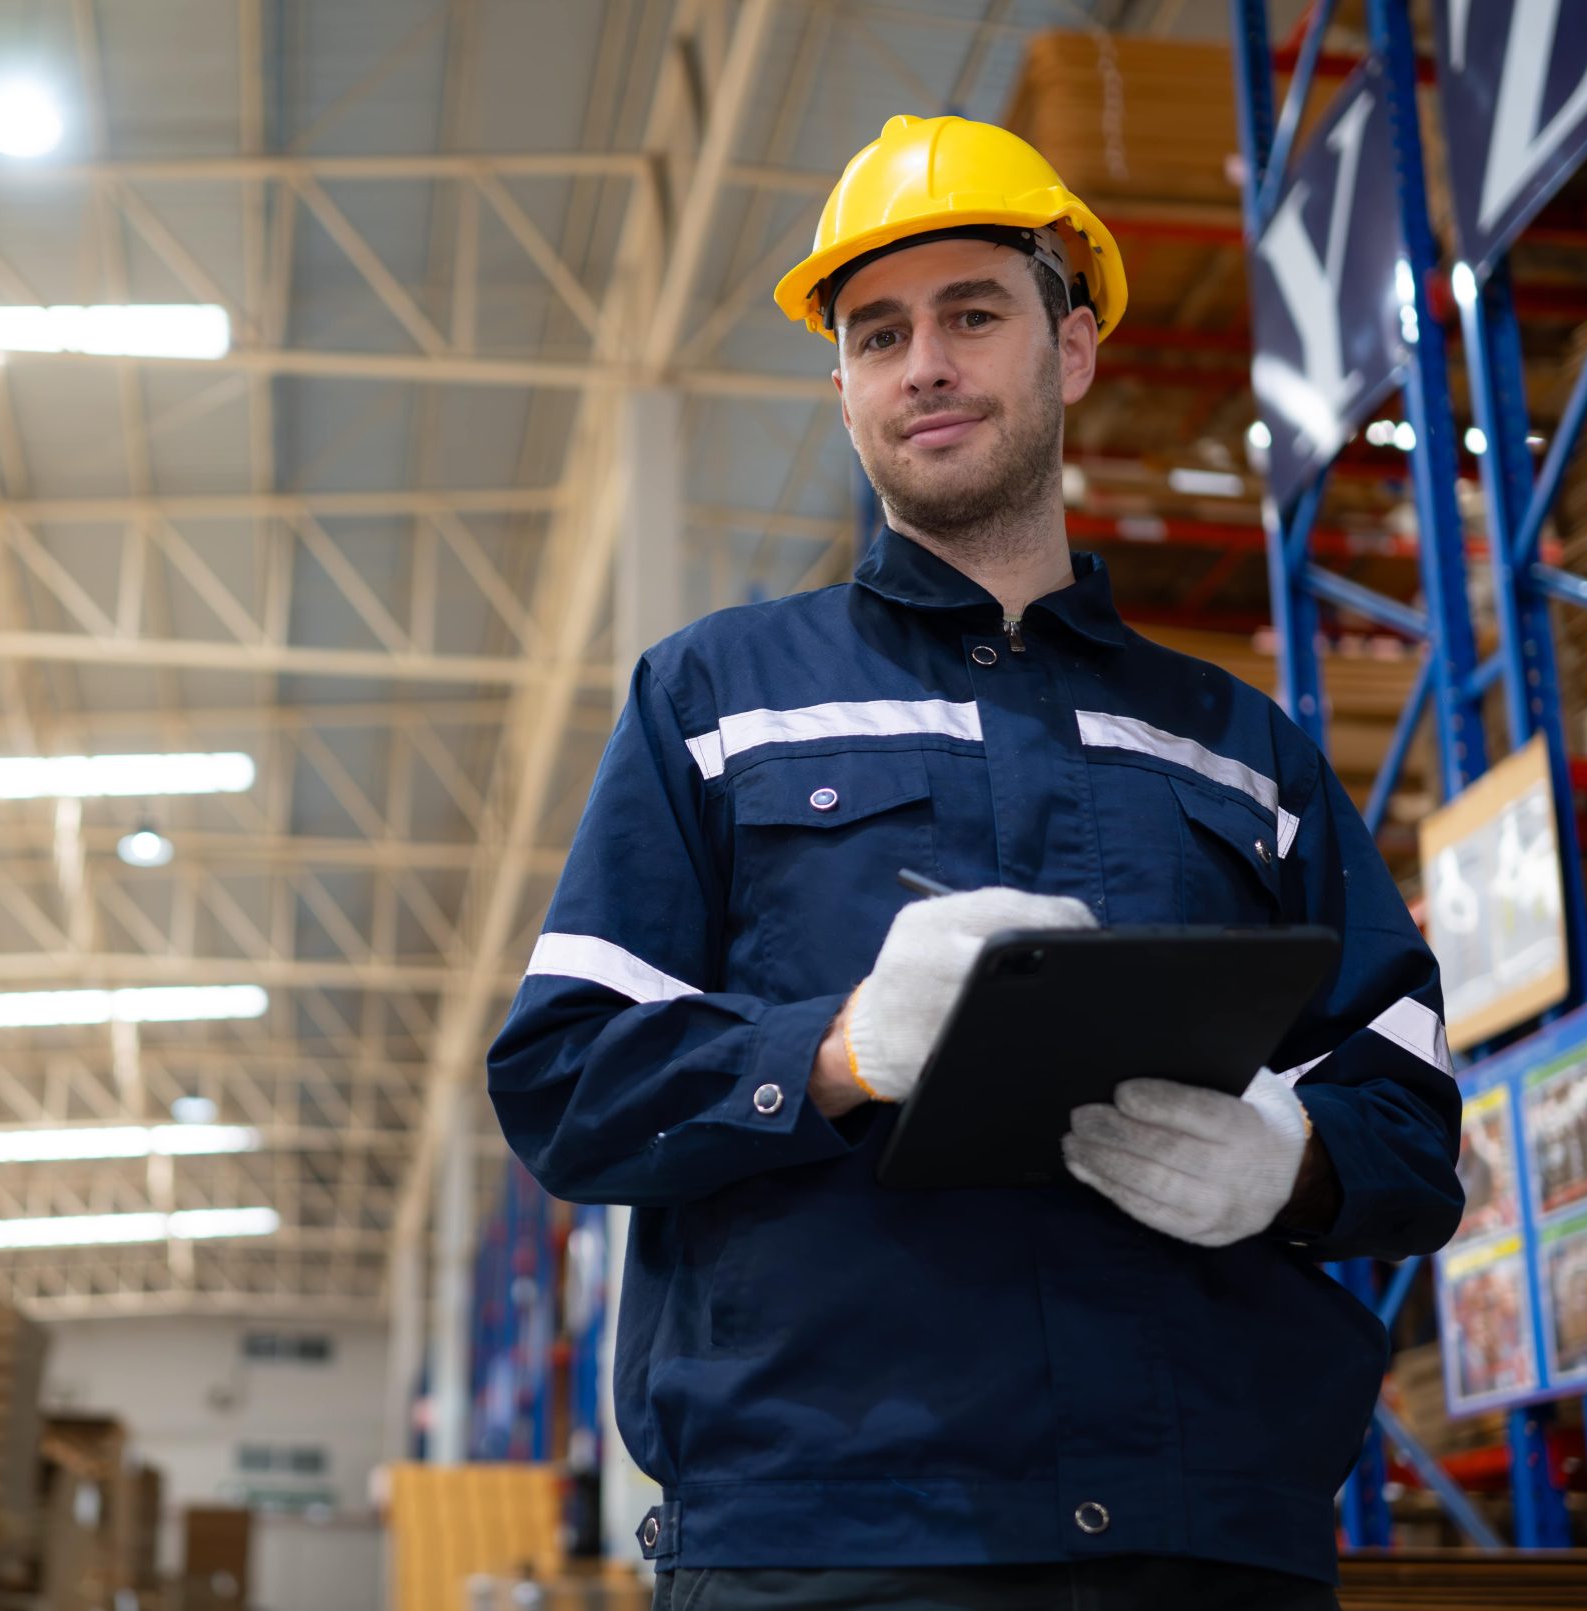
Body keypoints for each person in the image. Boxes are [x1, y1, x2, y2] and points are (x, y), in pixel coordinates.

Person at [487, 113, 1464, 1611]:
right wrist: (834, 1048)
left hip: (1200, 1543)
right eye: (879, 335)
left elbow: (1408, 1102)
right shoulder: (717, 699)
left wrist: (1300, 1162)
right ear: (844, 390)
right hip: (833, 1550)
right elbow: (565, 1081)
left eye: (972, 314)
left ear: (1069, 348)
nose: (924, 363)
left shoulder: (1237, 748)